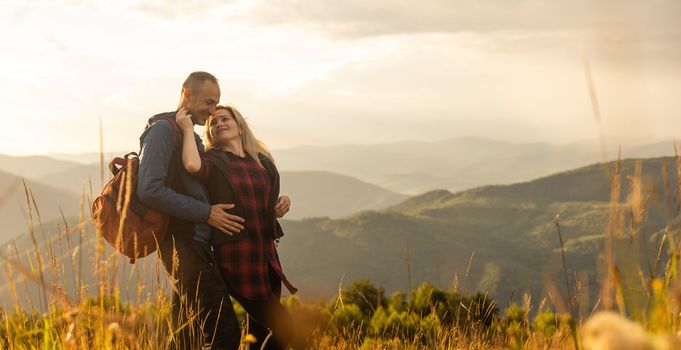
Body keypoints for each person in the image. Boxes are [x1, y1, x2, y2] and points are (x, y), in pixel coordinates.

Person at [137, 71, 245, 349]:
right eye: (208, 103)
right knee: (225, 334)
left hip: (194, 246)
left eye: (217, 103)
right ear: (187, 94)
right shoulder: (162, 130)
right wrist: (206, 213)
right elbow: (149, 189)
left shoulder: (188, 136)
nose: (212, 111)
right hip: (181, 245)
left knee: (187, 338)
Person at [176, 105, 297, 349]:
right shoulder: (215, 161)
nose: (218, 124)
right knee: (287, 330)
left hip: (267, 258)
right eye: (212, 123)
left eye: (224, 119)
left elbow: (268, 203)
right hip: (236, 259)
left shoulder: (263, 162)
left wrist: (283, 203)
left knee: (259, 334)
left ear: (239, 126)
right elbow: (191, 164)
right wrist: (188, 128)